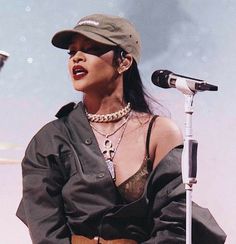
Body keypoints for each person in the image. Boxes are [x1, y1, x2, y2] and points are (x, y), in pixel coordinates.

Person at [16, 14, 226, 244]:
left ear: (124, 62)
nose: (77, 58)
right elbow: (46, 232)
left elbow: (175, 221)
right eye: (72, 52)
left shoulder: (159, 132)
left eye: (91, 49)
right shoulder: (50, 140)